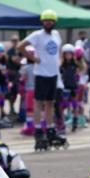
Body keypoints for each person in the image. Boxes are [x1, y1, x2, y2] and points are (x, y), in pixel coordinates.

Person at [18, 9, 67, 151]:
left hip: (53, 74)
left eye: (51, 20)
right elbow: (20, 46)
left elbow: (59, 50)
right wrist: (33, 58)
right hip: (41, 74)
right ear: (42, 22)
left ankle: (51, 128)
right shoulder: (37, 35)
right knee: (38, 103)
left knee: (50, 103)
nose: (48, 23)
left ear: (54, 22)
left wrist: (60, 61)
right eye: (46, 20)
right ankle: (39, 130)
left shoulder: (57, 35)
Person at [60, 44, 79, 132]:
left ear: (72, 54)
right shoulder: (61, 66)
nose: (68, 56)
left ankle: (75, 121)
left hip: (73, 87)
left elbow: (78, 75)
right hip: (65, 88)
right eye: (66, 54)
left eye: (69, 54)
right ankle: (62, 123)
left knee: (75, 105)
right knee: (62, 106)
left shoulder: (75, 65)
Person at [19, 46, 36, 136]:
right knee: (39, 108)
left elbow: (23, 79)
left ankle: (29, 127)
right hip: (38, 90)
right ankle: (41, 125)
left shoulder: (25, 67)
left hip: (29, 90)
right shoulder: (38, 66)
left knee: (29, 109)